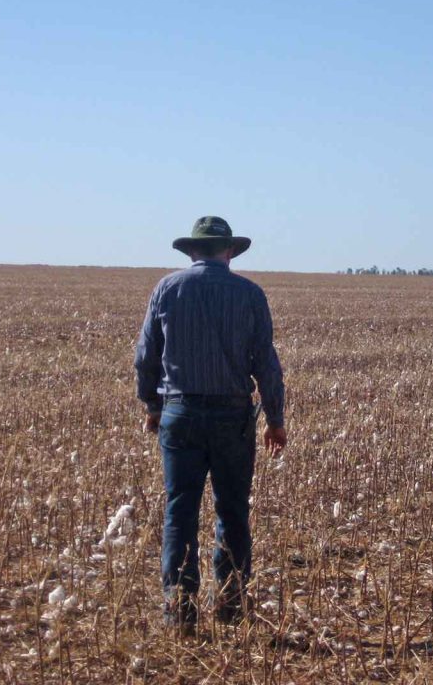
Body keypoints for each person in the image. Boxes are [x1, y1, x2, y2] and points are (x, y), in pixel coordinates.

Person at [134, 216, 286, 631]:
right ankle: (232, 605)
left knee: (179, 510)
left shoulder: (167, 288)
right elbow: (266, 363)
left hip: (179, 413)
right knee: (232, 511)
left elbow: (146, 357)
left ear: (191, 251)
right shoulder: (250, 294)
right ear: (230, 251)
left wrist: (152, 406)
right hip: (233, 417)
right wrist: (275, 418)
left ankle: (178, 612)